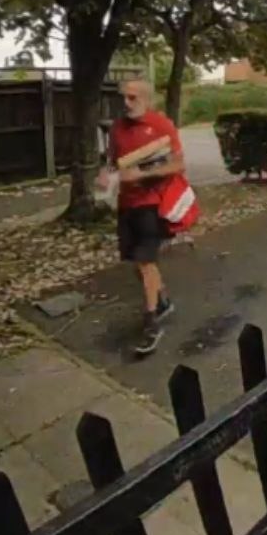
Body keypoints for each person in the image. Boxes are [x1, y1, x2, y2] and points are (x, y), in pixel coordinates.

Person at [100, 80, 186, 354]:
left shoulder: (161, 126)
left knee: (145, 261)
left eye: (132, 98)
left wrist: (142, 174)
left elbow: (178, 163)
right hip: (127, 205)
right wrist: (107, 176)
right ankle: (162, 302)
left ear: (146, 100)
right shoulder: (117, 128)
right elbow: (113, 162)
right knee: (138, 265)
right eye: (124, 97)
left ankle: (151, 323)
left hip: (153, 205)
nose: (126, 102)